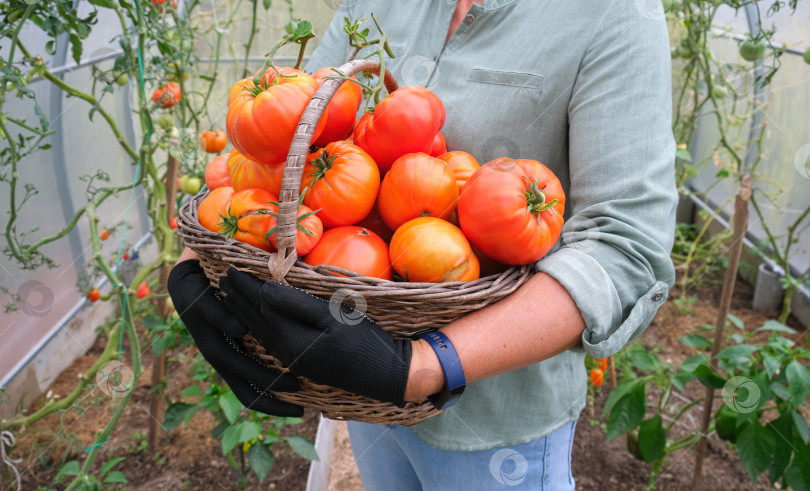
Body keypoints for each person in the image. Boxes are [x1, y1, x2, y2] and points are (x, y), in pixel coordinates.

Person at [168, 0, 678, 489]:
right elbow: (288, 133)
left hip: (496, 428)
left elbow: (624, 246)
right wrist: (196, 262)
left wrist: (418, 367)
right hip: (358, 381)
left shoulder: (614, 11)